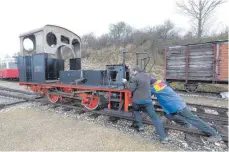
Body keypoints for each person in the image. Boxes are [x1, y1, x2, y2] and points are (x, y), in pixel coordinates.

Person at [150, 76, 222, 143]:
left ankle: (215, 134)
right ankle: (185, 124)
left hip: (177, 107)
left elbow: (146, 95)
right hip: (176, 104)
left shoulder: (155, 88)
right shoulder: (161, 83)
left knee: (194, 119)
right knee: (168, 115)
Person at [122, 67, 168, 144]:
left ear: (136, 71)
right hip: (148, 101)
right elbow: (157, 82)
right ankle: (163, 137)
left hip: (137, 101)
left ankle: (140, 127)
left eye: (133, 71)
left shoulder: (135, 77)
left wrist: (126, 82)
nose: (132, 73)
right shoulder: (148, 76)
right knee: (154, 117)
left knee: (135, 110)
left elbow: (131, 89)